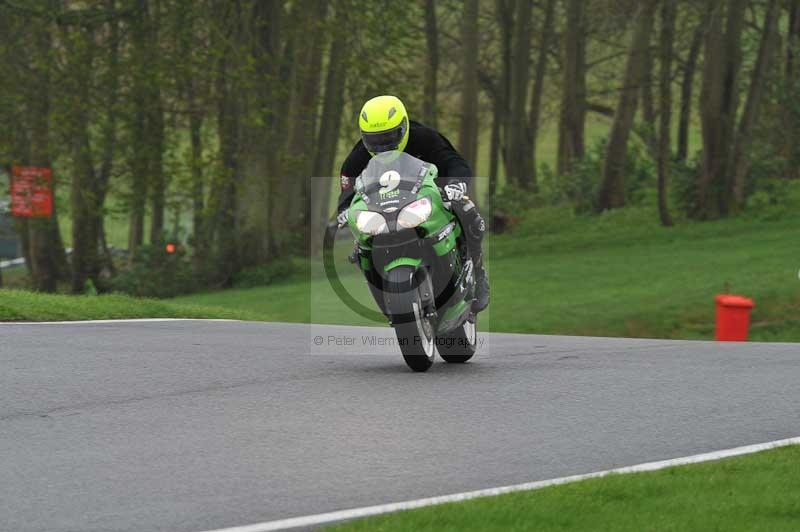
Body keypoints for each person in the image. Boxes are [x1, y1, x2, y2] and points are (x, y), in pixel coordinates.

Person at [336, 95, 489, 312]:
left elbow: (454, 161)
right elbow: (347, 190)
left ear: (404, 126)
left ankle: (479, 273)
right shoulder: (357, 156)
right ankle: (381, 290)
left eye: (389, 137)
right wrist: (344, 210)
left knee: (468, 210)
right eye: (375, 141)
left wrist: (455, 184)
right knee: (361, 245)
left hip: (431, 195)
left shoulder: (424, 137)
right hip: (383, 207)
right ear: (364, 136)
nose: (383, 147)